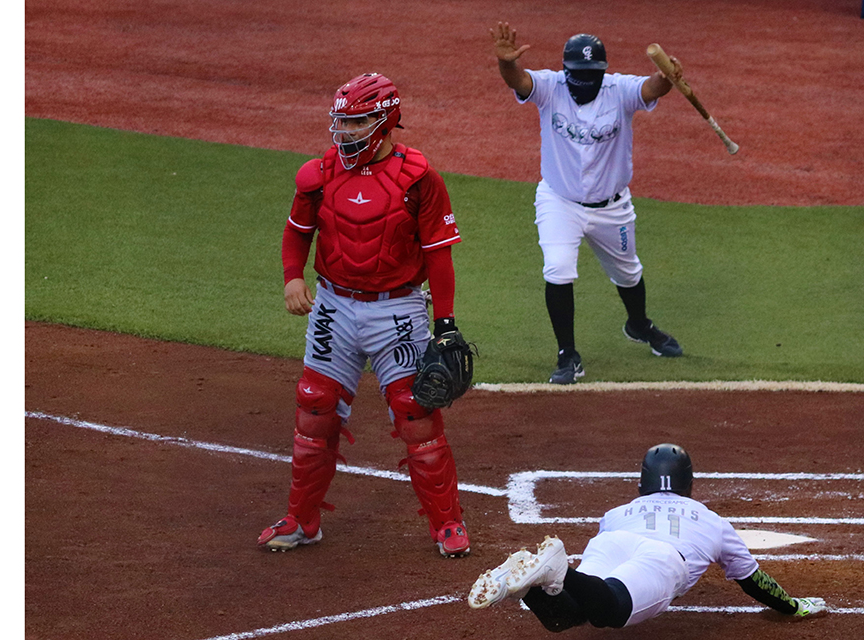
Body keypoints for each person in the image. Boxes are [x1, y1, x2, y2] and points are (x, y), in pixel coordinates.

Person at [257, 72, 472, 558]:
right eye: (343, 123)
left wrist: (446, 324)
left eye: (357, 123)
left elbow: (439, 255)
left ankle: (447, 525)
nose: (347, 133)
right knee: (315, 408)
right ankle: (302, 521)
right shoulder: (318, 175)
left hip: (396, 307)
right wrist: (294, 277)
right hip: (333, 305)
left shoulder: (420, 180)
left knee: (416, 414)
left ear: (386, 119)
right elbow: (297, 232)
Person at [490, 23, 685, 385]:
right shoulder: (550, 87)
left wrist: (666, 77)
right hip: (559, 201)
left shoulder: (620, 90)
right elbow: (519, 82)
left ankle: (639, 325)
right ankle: (568, 355)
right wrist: (505, 63)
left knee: (628, 273)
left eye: (591, 74)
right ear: (566, 72)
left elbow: (650, 88)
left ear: (603, 71)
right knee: (558, 269)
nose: (584, 80)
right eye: (578, 74)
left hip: (612, 207)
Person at [468, 444, 827, 629]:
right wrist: (791, 605)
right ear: (689, 485)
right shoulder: (711, 519)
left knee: (570, 616)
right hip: (664, 558)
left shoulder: (617, 514)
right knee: (611, 610)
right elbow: (752, 580)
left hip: (612, 543)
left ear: (641, 484)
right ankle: (557, 572)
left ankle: (528, 583)